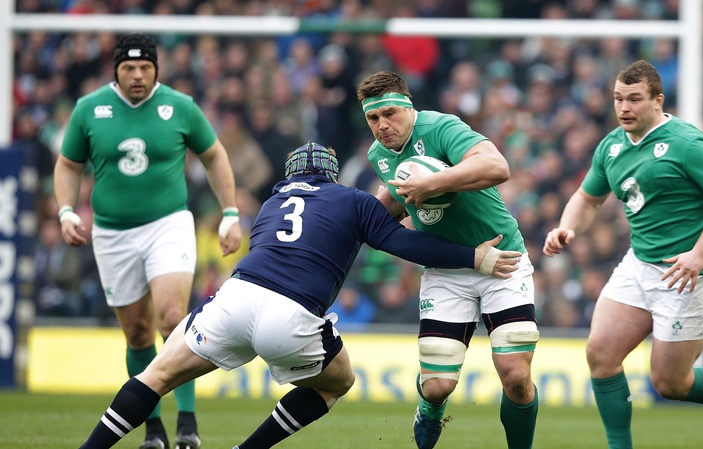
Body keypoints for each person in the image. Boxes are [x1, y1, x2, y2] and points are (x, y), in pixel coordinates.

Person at [76, 142, 523, 449]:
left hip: (234, 299)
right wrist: (472, 256)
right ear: (331, 174)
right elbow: (404, 244)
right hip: (290, 316)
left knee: (155, 378)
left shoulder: (272, 202)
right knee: (338, 383)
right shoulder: (353, 199)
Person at [542, 60, 703, 448]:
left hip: (689, 276)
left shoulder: (688, 143)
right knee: (600, 354)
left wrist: (698, 254)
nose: (624, 108)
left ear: (658, 100)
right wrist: (568, 226)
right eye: (618, 99)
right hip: (640, 266)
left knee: (670, 384)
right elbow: (587, 197)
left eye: (634, 99)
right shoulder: (611, 145)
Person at [54, 34, 242, 449]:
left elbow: (214, 155)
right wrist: (66, 211)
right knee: (138, 333)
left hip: (168, 224)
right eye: (128, 68)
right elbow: (68, 165)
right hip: (111, 232)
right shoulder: (89, 110)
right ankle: (153, 431)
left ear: (156, 69)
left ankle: (188, 426)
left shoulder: (180, 106)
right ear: (115, 70)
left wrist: (229, 213)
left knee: (173, 317)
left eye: (145, 68)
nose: (137, 75)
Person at [357, 71, 540, 449]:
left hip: (502, 261)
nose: (382, 125)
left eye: (389, 114)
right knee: (438, 386)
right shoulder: (378, 155)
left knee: (516, 376)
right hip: (446, 272)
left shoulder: (442, 128)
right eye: (373, 118)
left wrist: (432, 183)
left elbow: (497, 167)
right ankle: (429, 412)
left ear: (409, 108)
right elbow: (396, 198)